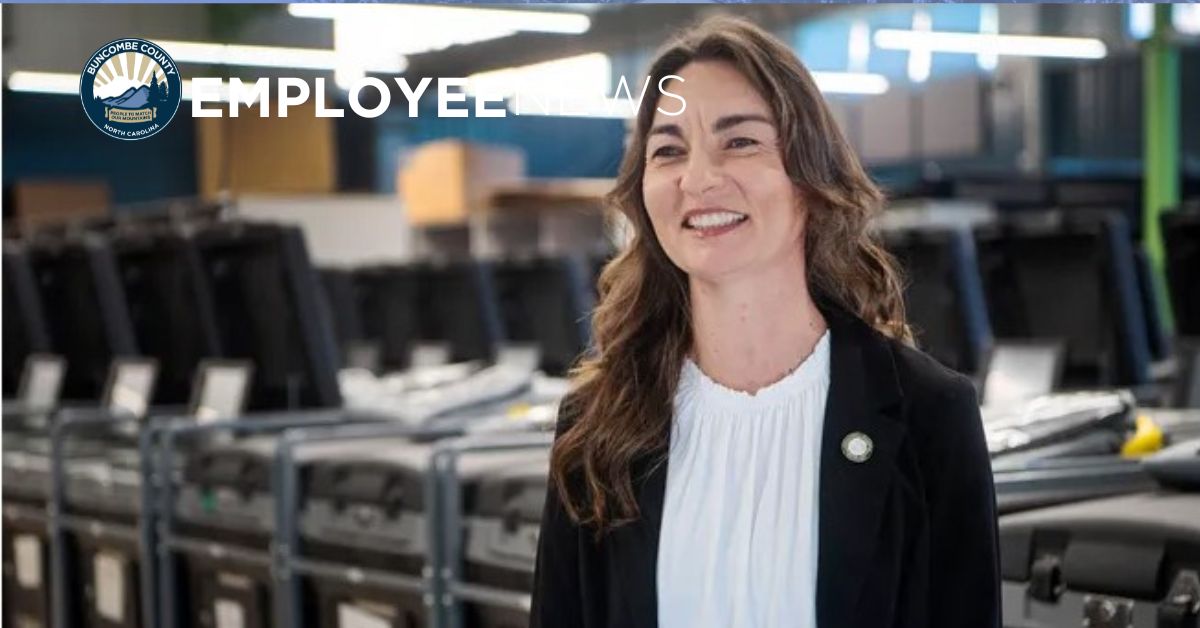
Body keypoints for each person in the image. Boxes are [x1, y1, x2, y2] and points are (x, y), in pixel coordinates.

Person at [531, 14, 1000, 628]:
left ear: (809, 177)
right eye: (668, 151)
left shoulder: (929, 415)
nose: (698, 179)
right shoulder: (599, 426)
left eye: (741, 141)